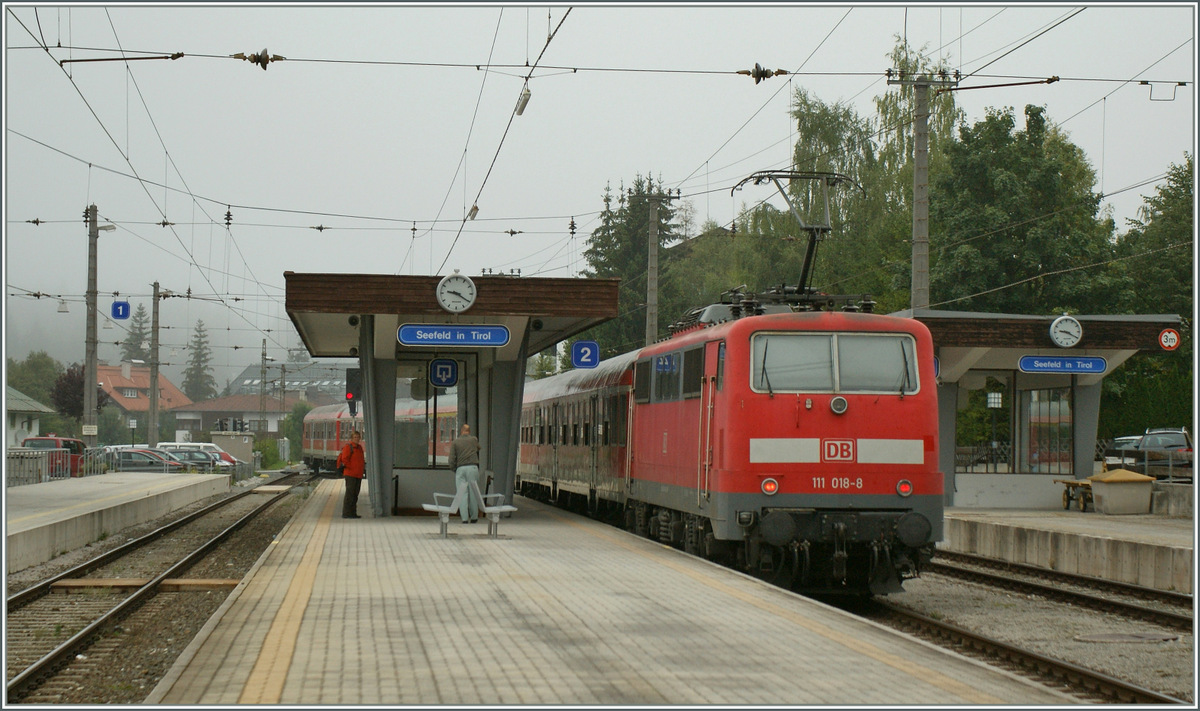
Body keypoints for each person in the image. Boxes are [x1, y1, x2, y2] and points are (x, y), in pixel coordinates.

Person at [448, 423, 481, 524]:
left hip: (461, 469)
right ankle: (474, 517)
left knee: (462, 494)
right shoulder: (474, 440)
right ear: (469, 432)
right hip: (473, 468)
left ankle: (464, 518)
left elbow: (451, 459)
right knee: (474, 492)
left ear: (461, 431)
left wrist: (455, 469)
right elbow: (479, 448)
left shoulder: (455, 442)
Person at [336, 430, 366, 519]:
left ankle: (353, 512)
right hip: (350, 474)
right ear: (352, 438)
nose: (357, 439)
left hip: (358, 474)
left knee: (355, 494)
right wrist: (352, 468)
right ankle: (346, 513)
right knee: (350, 493)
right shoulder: (348, 447)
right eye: (355, 437)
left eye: (358, 437)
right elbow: (345, 459)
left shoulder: (359, 448)